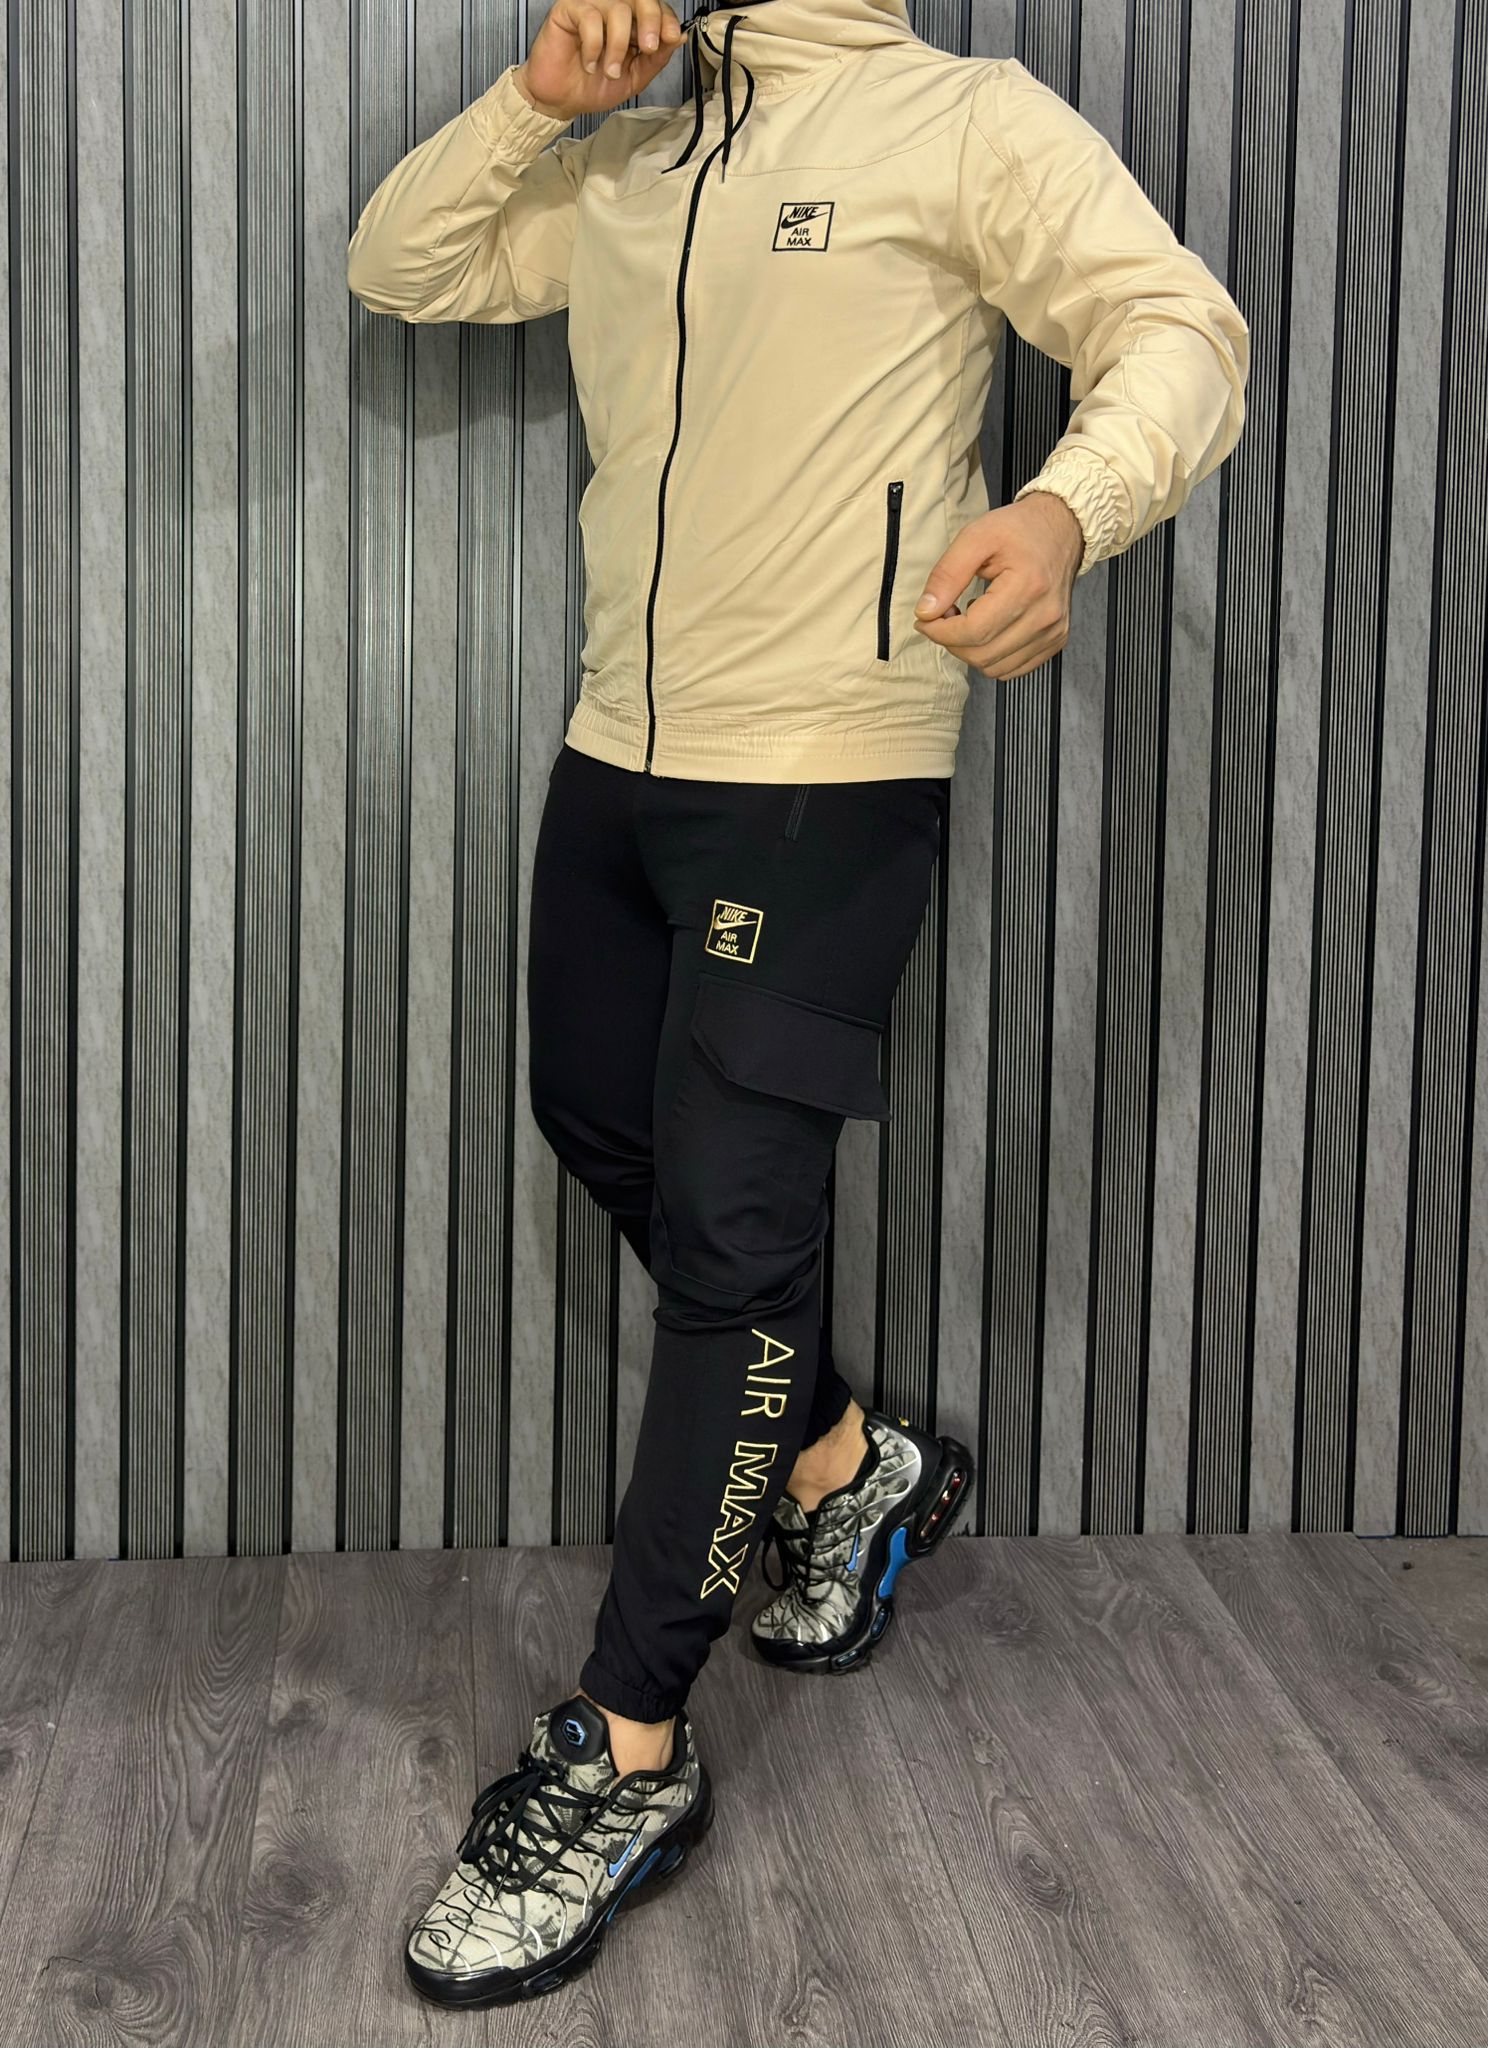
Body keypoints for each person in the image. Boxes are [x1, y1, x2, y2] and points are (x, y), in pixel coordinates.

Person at [346, 0, 1248, 2009]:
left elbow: (1179, 327)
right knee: (601, 1122)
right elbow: (404, 266)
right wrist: (539, 102)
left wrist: (1068, 507)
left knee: (737, 1241)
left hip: (828, 769)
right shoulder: (632, 152)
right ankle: (843, 1460)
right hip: (619, 751)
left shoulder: (963, 120)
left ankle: (627, 1753)